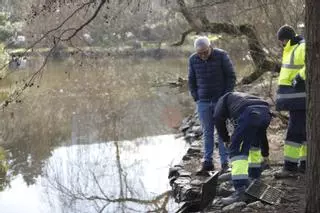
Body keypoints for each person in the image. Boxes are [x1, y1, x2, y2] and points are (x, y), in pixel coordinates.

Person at [213, 92, 272, 205]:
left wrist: (226, 139)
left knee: (237, 151)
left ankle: (240, 191)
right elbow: (262, 135)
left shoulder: (221, 101)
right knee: (255, 144)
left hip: (249, 114)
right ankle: (254, 177)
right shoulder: (238, 98)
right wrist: (265, 154)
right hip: (265, 112)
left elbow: (218, 120)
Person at [188, 36, 236, 172]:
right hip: (203, 101)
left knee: (222, 131)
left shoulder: (222, 56)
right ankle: (208, 162)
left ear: (210, 47)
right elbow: (191, 80)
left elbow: (231, 77)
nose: (203, 55)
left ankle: (225, 162)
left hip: (220, 100)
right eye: (200, 53)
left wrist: (226, 97)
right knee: (207, 132)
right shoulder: (192, 59)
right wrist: (196, 97)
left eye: (205, 52)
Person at [274, 25, 306, 177]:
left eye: (282, 40)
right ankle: (305, 164)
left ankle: (290, 166)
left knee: (294, 132)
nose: (281, 43)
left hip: (299, 98)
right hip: (296, 99)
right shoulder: (291, 48)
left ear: (286, 39)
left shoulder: (301, 47)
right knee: (304, 131)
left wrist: (299, 77)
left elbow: (311, 64)